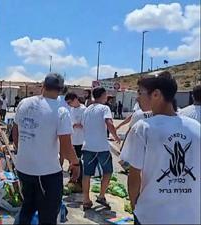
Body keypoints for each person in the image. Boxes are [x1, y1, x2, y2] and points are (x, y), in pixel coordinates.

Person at [120, 71, 200, 225]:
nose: (137, 97)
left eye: (140, 92)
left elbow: (134, 175)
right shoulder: (196, 128)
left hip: (152, 215)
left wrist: (135, 204)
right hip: (191, 216)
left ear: (156, 94)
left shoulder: (143, 128)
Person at [12, 73, 80, 225]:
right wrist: (75, 163)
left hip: (23, 168)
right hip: (45, 173)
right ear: (61, 90)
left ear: (43, 85)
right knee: (48, 215)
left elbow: (15, 131)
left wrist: (22, 151)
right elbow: (66, 145)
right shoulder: (61, 111)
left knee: (27, 207)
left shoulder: (24, 103)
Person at [81, 87, 121, 211]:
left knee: (87, 174)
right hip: (101, 147)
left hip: (87, 146)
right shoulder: (105, 108)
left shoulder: (87, 110)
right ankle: (101, 196)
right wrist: (116, 137)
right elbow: (109, 123)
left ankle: (86, 200)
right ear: (103, 95)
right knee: (107, 172)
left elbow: (83, 124)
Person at [65, 92, 86, 190]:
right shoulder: (71, 109)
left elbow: (85, 125)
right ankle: (72, 180)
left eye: (70, 102)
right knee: (72, 162)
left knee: (79, 162)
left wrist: (75, 125)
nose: (69, 105)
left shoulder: (84, 110)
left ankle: (80, 182)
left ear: (75, 99)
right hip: (72, 139)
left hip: (80, 140)